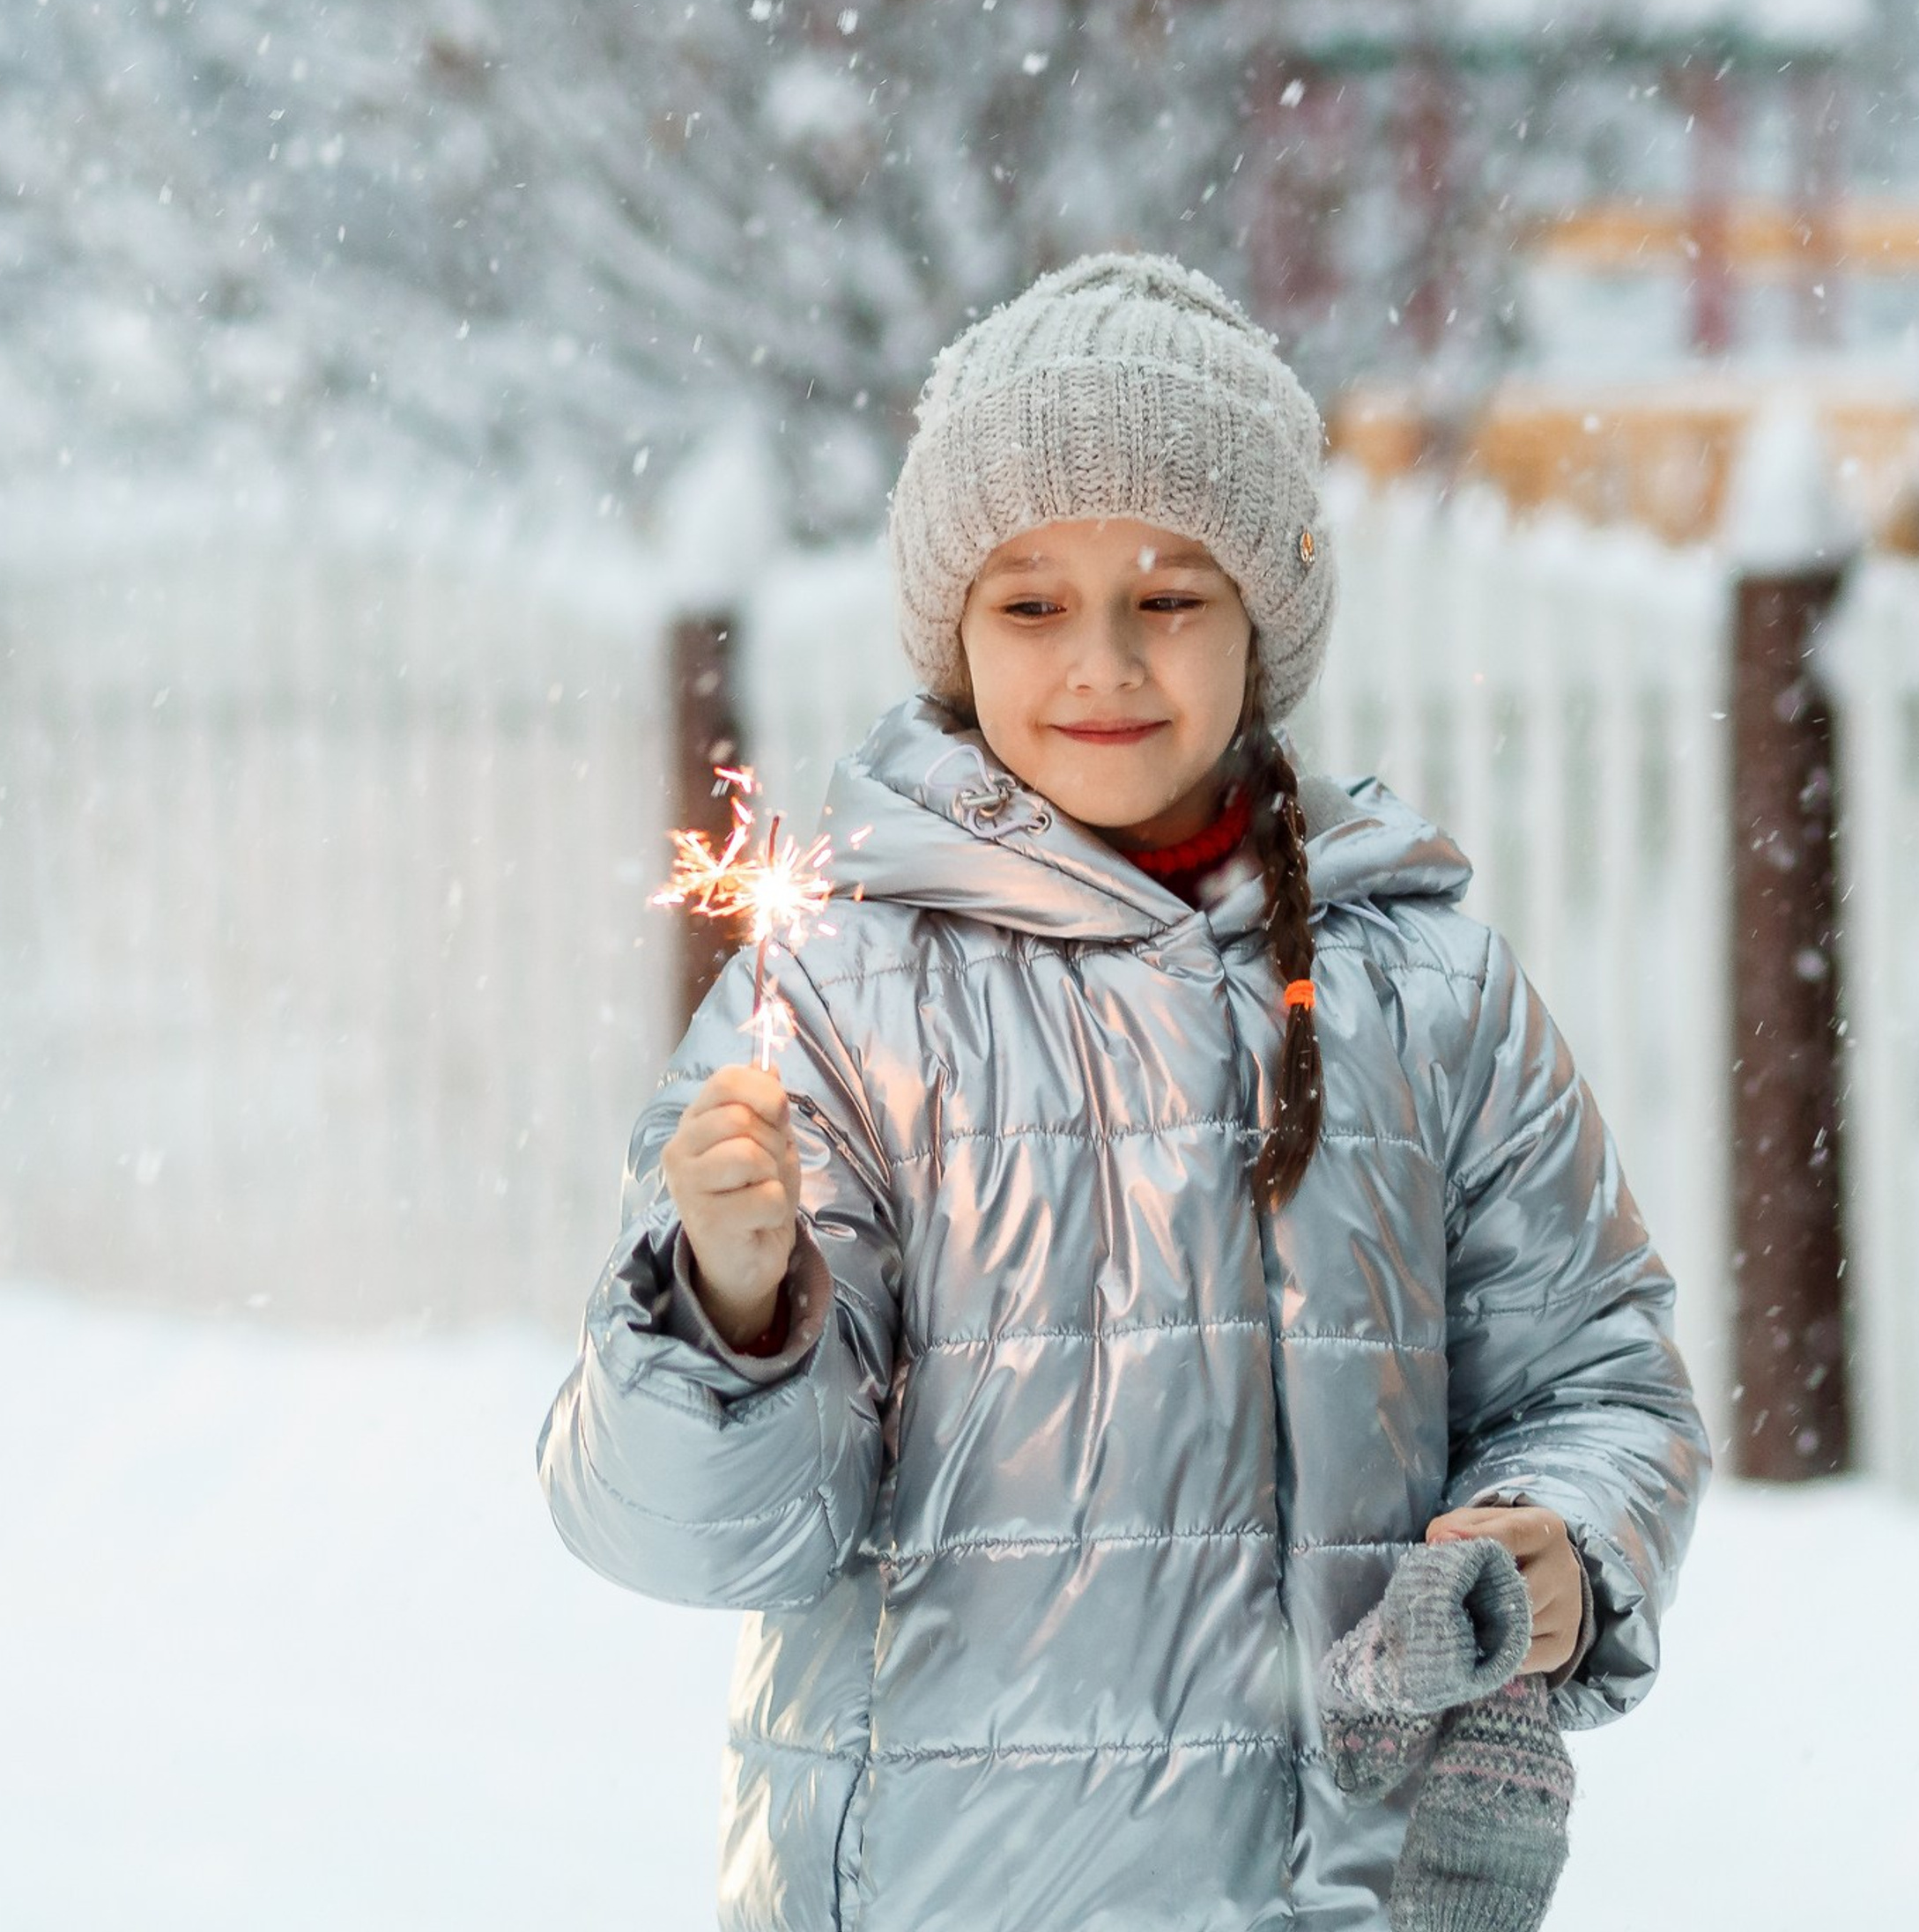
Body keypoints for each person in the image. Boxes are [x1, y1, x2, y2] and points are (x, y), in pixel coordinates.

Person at [536, 250, 1710, 1931]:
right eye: (1032, 603)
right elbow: (692, 1539)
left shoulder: (1424, 990)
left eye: (1169, 597)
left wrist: (1558, 1545)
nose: (1103, 661)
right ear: (955, 630)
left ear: (1263, 622)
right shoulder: (842, 996)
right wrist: (727, 1301)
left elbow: (1601, 1376)